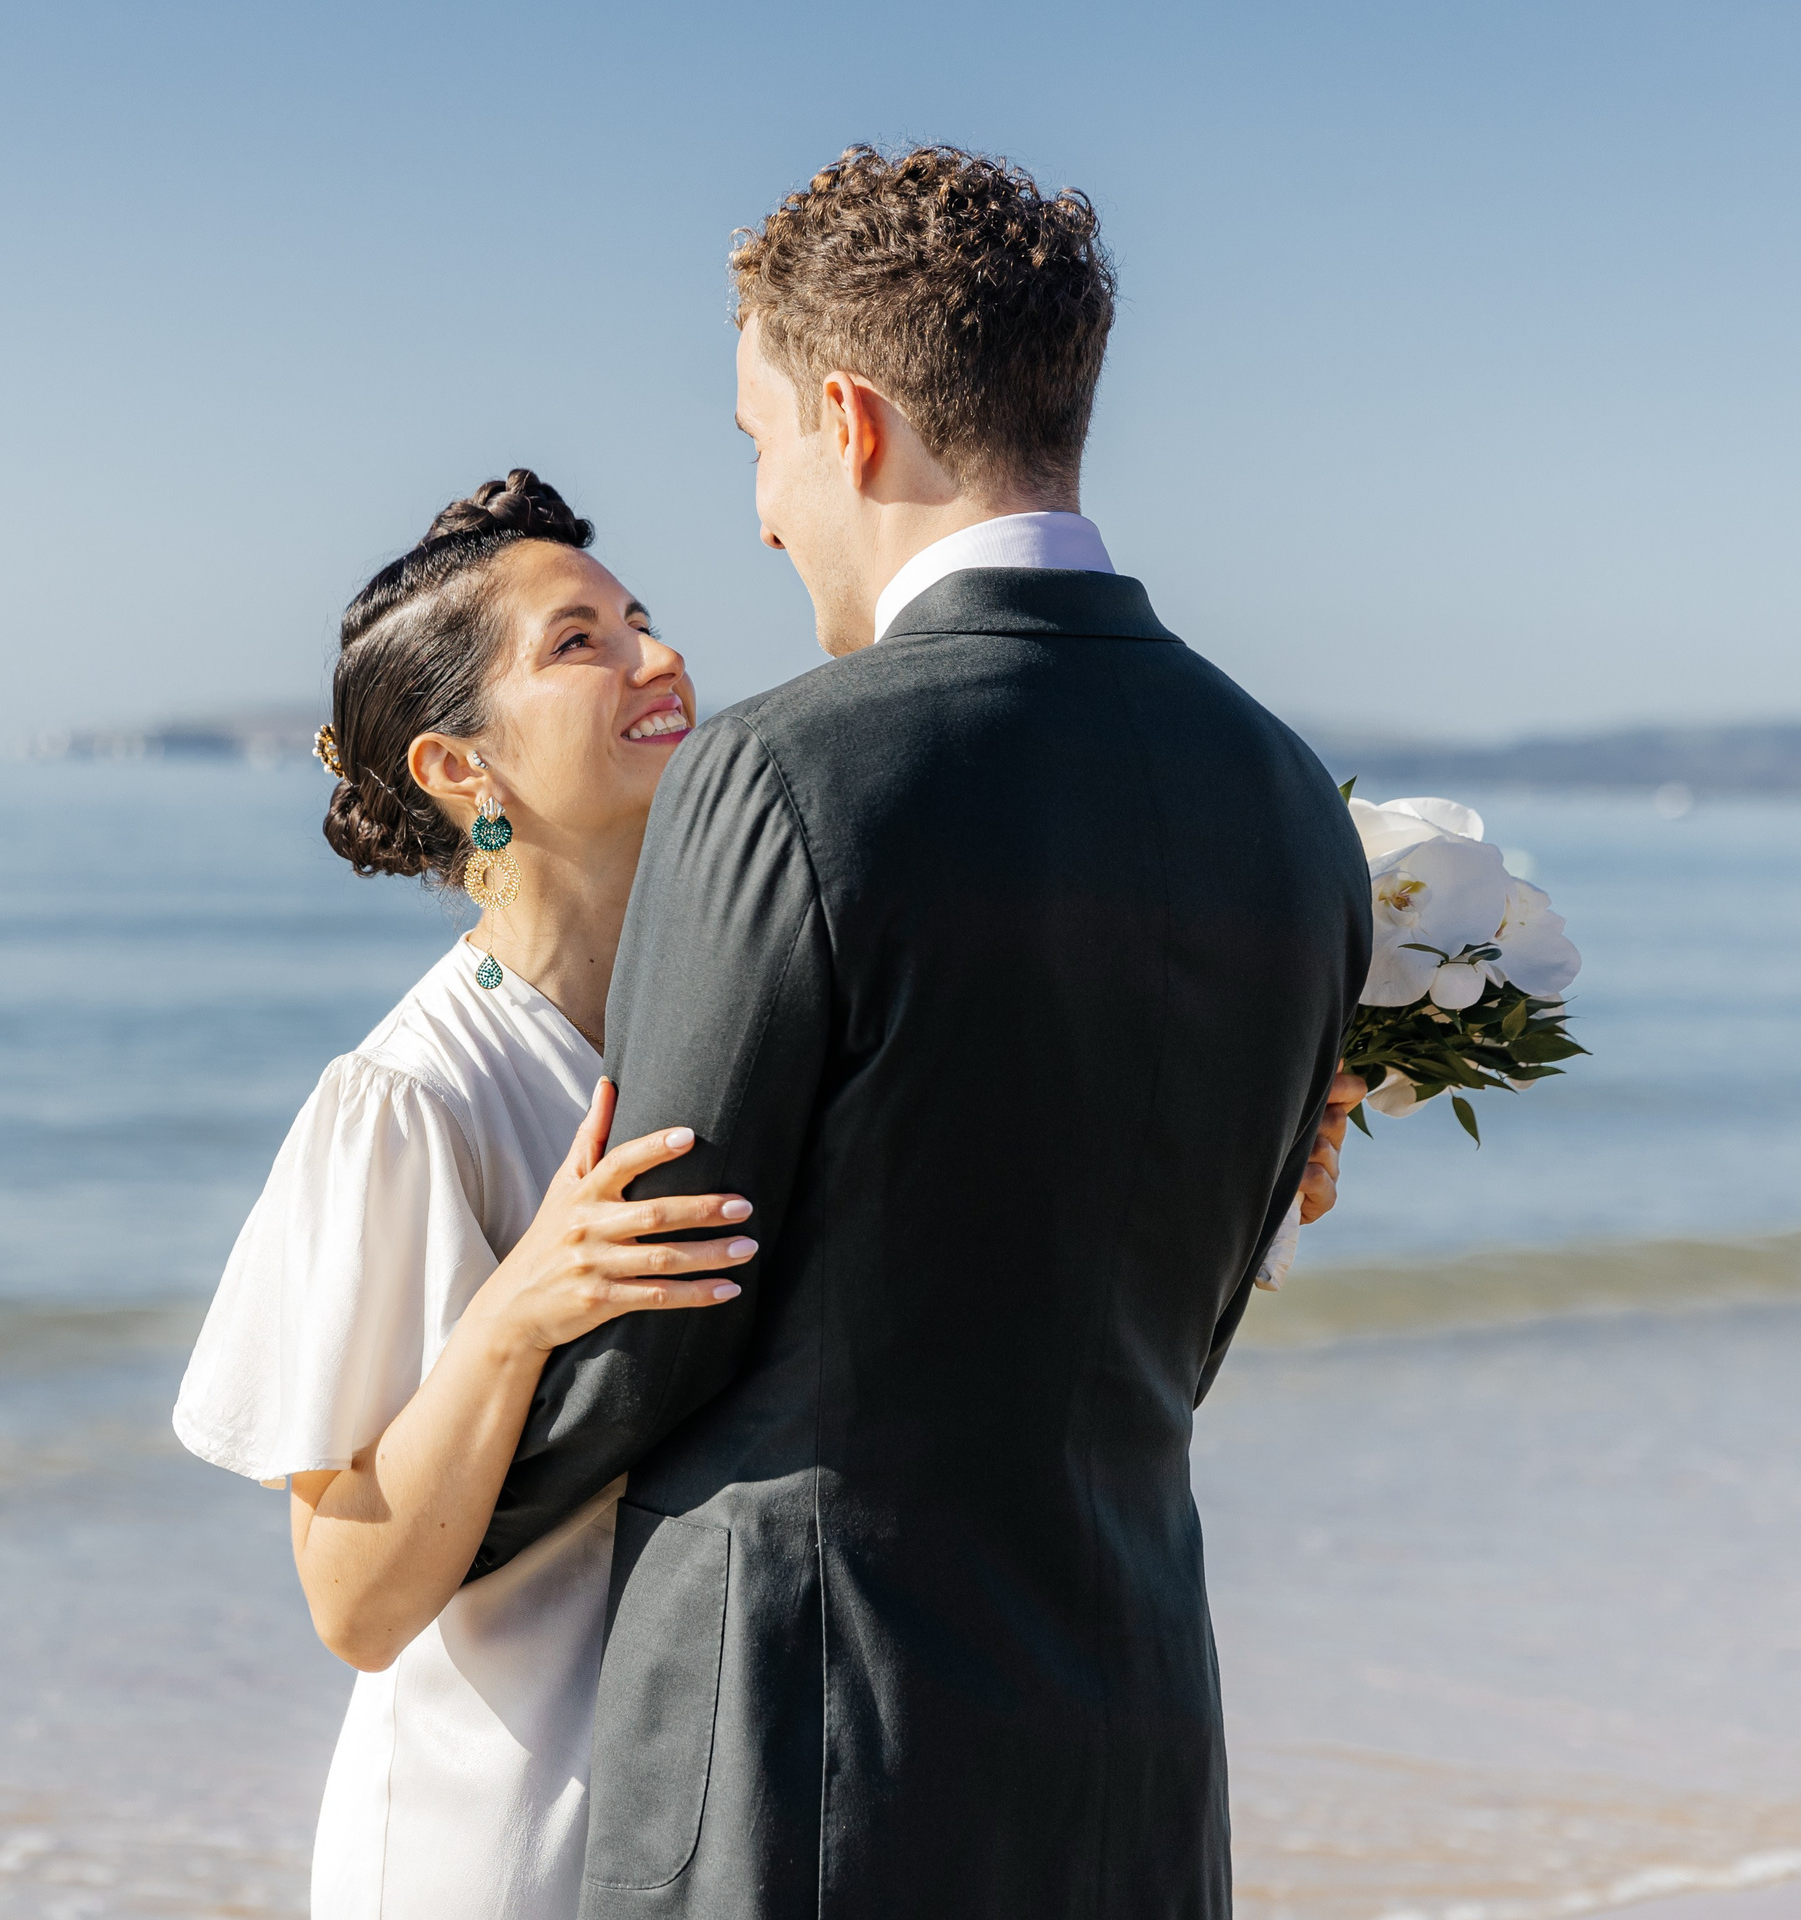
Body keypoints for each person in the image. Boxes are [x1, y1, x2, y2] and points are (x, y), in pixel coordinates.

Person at [174, 452, 1361, 1906]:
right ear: (455, 766)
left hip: (755, 1804)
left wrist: (1249, 1155)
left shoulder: (757, 1007)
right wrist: (516, 1312)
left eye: (638, 617)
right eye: (578, 644)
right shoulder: (414, 1098)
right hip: (509, 1832)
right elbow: (352, 1598)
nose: (657, 658)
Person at [467, 147, 1373, 1918]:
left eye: (758, 447)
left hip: (814, 1757)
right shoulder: (1285, 799)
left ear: (851, 419)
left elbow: (671, 1280)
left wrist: (431, 1506)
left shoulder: (793, 769)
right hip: (1134, 1740)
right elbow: (1181, 1313)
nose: (759, 514)